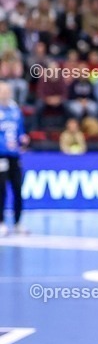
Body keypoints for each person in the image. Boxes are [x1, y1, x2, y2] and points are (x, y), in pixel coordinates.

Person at [0, 83, 29, 236]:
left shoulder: (15, 109)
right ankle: (1, 222)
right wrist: (5, 144)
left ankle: (18, 223)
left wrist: (22, 139)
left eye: (7, 91)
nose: (6, 94)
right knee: (1, 190)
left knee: (18, 188)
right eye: (3, 91)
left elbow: (20, 130)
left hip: (14, 156)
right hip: (1, 155)